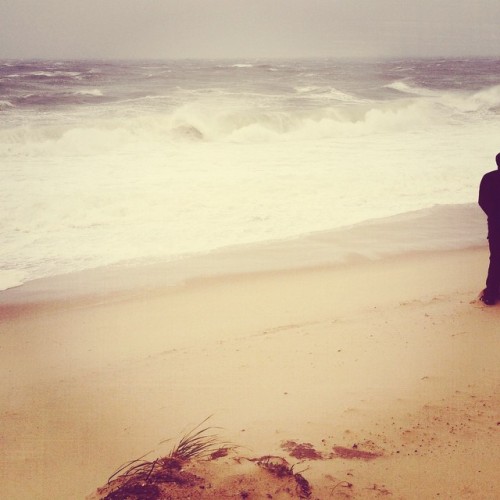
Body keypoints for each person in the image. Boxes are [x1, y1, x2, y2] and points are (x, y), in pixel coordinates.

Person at [478, 152, 500, 305]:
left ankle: (491, 294)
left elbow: (482, 201)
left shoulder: (488, 177)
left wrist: (493, 215)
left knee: (496, 258)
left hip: (495, 224)